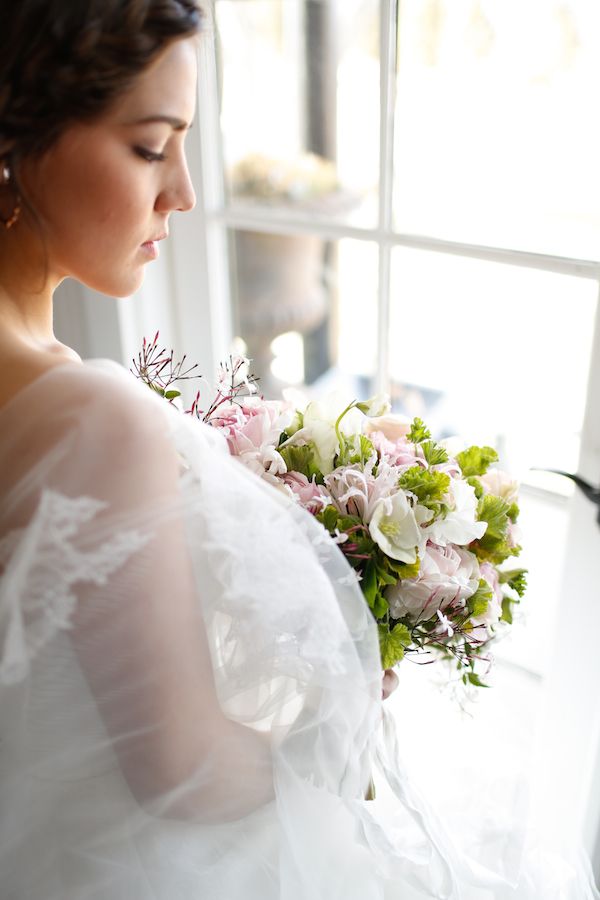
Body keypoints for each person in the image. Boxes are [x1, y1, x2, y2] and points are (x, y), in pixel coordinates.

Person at [0, 2, 598, 898]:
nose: (186, 192)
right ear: (16, 136)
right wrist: (334, 733)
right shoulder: (93, 419)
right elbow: (183, 772)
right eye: (150, 146)